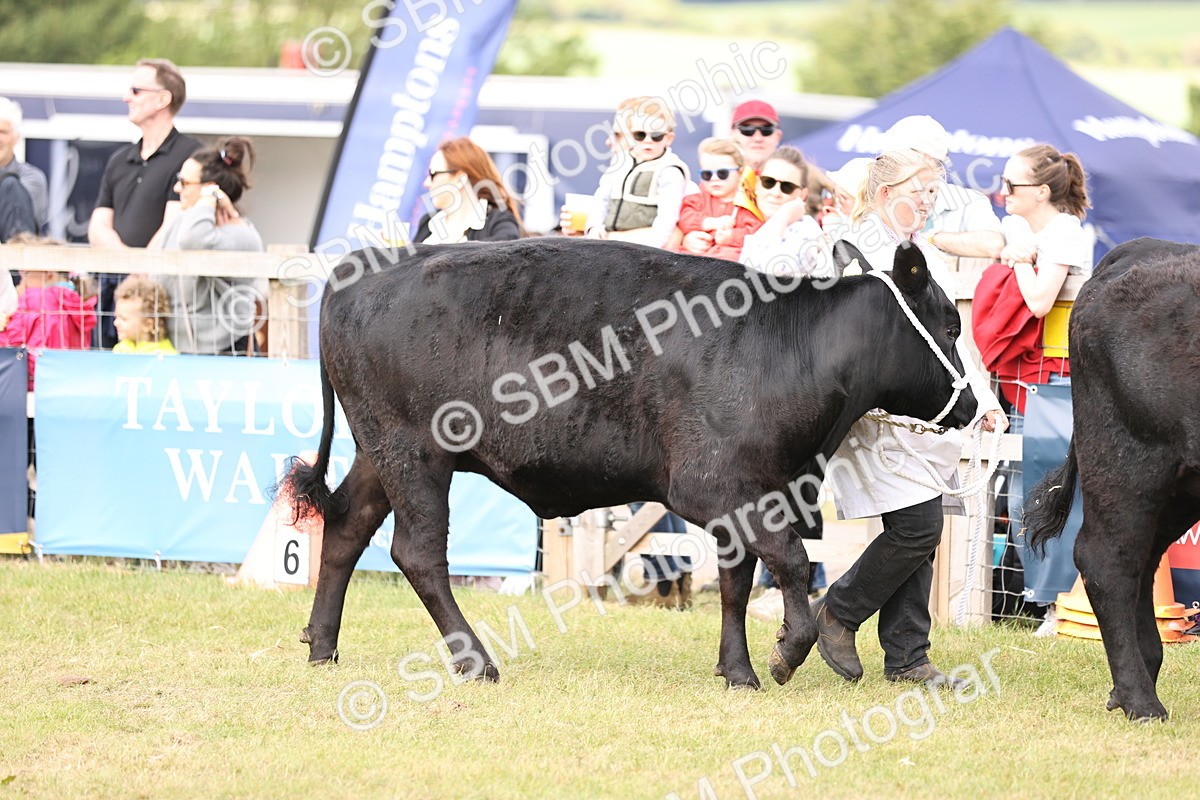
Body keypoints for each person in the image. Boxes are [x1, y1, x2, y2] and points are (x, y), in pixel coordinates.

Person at [811, 148, 1008, 686]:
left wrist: (983, 400)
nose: (927, 201)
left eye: (931, 192)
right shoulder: (850, 251)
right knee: (918, 527)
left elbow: (946, 340)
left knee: (917, 528)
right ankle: (836, 614)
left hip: (920, 413)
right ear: (883, 195)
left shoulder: (918, 253)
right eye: (917, 191)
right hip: (876, 417)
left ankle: (908, 656)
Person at [974, 143, 1091, 633]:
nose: (1003, 191)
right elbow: (966, 241)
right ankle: (1046, 602)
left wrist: (1019, 260)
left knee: (1052, 491)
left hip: (1059, 382)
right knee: (1025, 493)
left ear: (1041, 191)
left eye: (1011, 184)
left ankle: (1058, 603)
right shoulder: (1026, 228)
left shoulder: (1064, 232)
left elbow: (1041, 301)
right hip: (1033, 382)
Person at [88, 58, 203, 346]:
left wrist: (139, 273)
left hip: (161, 299)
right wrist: (131, 266)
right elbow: (97, 229)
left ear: (163, 99)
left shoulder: (192, 156)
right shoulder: (119, 160)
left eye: (136, 90)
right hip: (114, 296)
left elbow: (173, 226)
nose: (126, 97)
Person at [154, 136, 264, 355]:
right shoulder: (181, 223)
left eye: (184, 182)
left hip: (226, 351)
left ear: (210, 189)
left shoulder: (241, 233)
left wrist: (207, 200)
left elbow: (192, 239)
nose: (177, 188)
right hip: (178, 350)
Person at [882, 115, 1004, 260]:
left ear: (928, 159)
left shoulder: (970, 200)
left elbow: (994, 245)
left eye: (898, 158)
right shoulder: (876, 195)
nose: (890, 165)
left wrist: (930, 239)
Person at [582, 97, 688, 248]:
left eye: (656, 136)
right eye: (639, 135)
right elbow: (601, 199)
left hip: (643, 250)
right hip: (608, 244)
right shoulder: (620, 160)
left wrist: (652, 248)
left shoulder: (670, 171)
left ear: (668, 139)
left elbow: (666, 222)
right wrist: (593, 228)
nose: (648, 140)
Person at [0, 234, 97, 388]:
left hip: (34, 383)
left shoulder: (35, 299)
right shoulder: (77, 304)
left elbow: (13, 342)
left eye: (25, 273)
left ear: (47, 273)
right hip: (69, 383)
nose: (22, 281)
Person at [739, 147, 831, 279]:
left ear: (803, 194)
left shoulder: (806, 230)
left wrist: (782, 217)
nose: (775, 193)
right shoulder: (741, 219)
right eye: (768, 182)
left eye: (787, 187)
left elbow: (763, 276)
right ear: (757, 183)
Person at [414, 137, 523, 243]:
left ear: (460, 179)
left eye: (432, 174)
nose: (426, 183)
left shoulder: (500, 223)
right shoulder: (427, 223)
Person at [671, 138, 762, 261]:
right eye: (707, 174)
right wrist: (710, 222)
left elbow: (756, 232)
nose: (714, 178)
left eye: (722, 173)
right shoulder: (699, 197)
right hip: (696, 258)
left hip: (728, 261)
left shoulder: (746, 202)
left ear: (740, 173)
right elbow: (685, 217)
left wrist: (731, 237)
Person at [728, 99, 783, 222]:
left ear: (778, 136)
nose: (757, 138)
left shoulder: (797, 178)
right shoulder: (717, 175)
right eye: (747, 130)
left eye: (766, 130)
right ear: (733, 134)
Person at [0, 97, 48, 234]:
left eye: (3, 132)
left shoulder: (31, 178)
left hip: (13, 246)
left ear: (16, 137)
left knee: (11, 186)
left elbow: (17, 215)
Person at [113, 276, 177, 355]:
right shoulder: (120, 349)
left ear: (148, 324)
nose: (116, 323)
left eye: (123, 319)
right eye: (116, 317)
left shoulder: (164, 354)